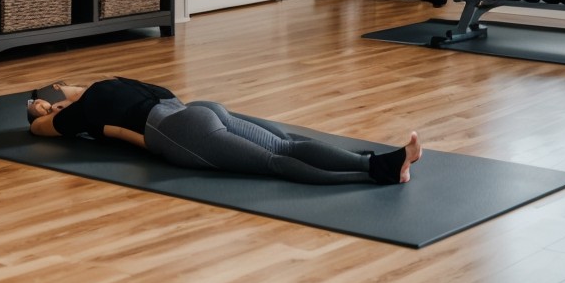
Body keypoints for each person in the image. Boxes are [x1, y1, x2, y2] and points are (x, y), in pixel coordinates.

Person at [27, 76, 422, 186]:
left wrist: (39, 109)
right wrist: (65, 94)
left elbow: (43, 128)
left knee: (275, 162)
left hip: (176, 132)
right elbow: (71, 93)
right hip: (201, 109)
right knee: (288, 142)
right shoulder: (112, 85)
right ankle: (379, 163)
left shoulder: (86, 110)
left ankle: (373, 172)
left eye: (54, 102)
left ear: (66, 99)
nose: (52, 108)